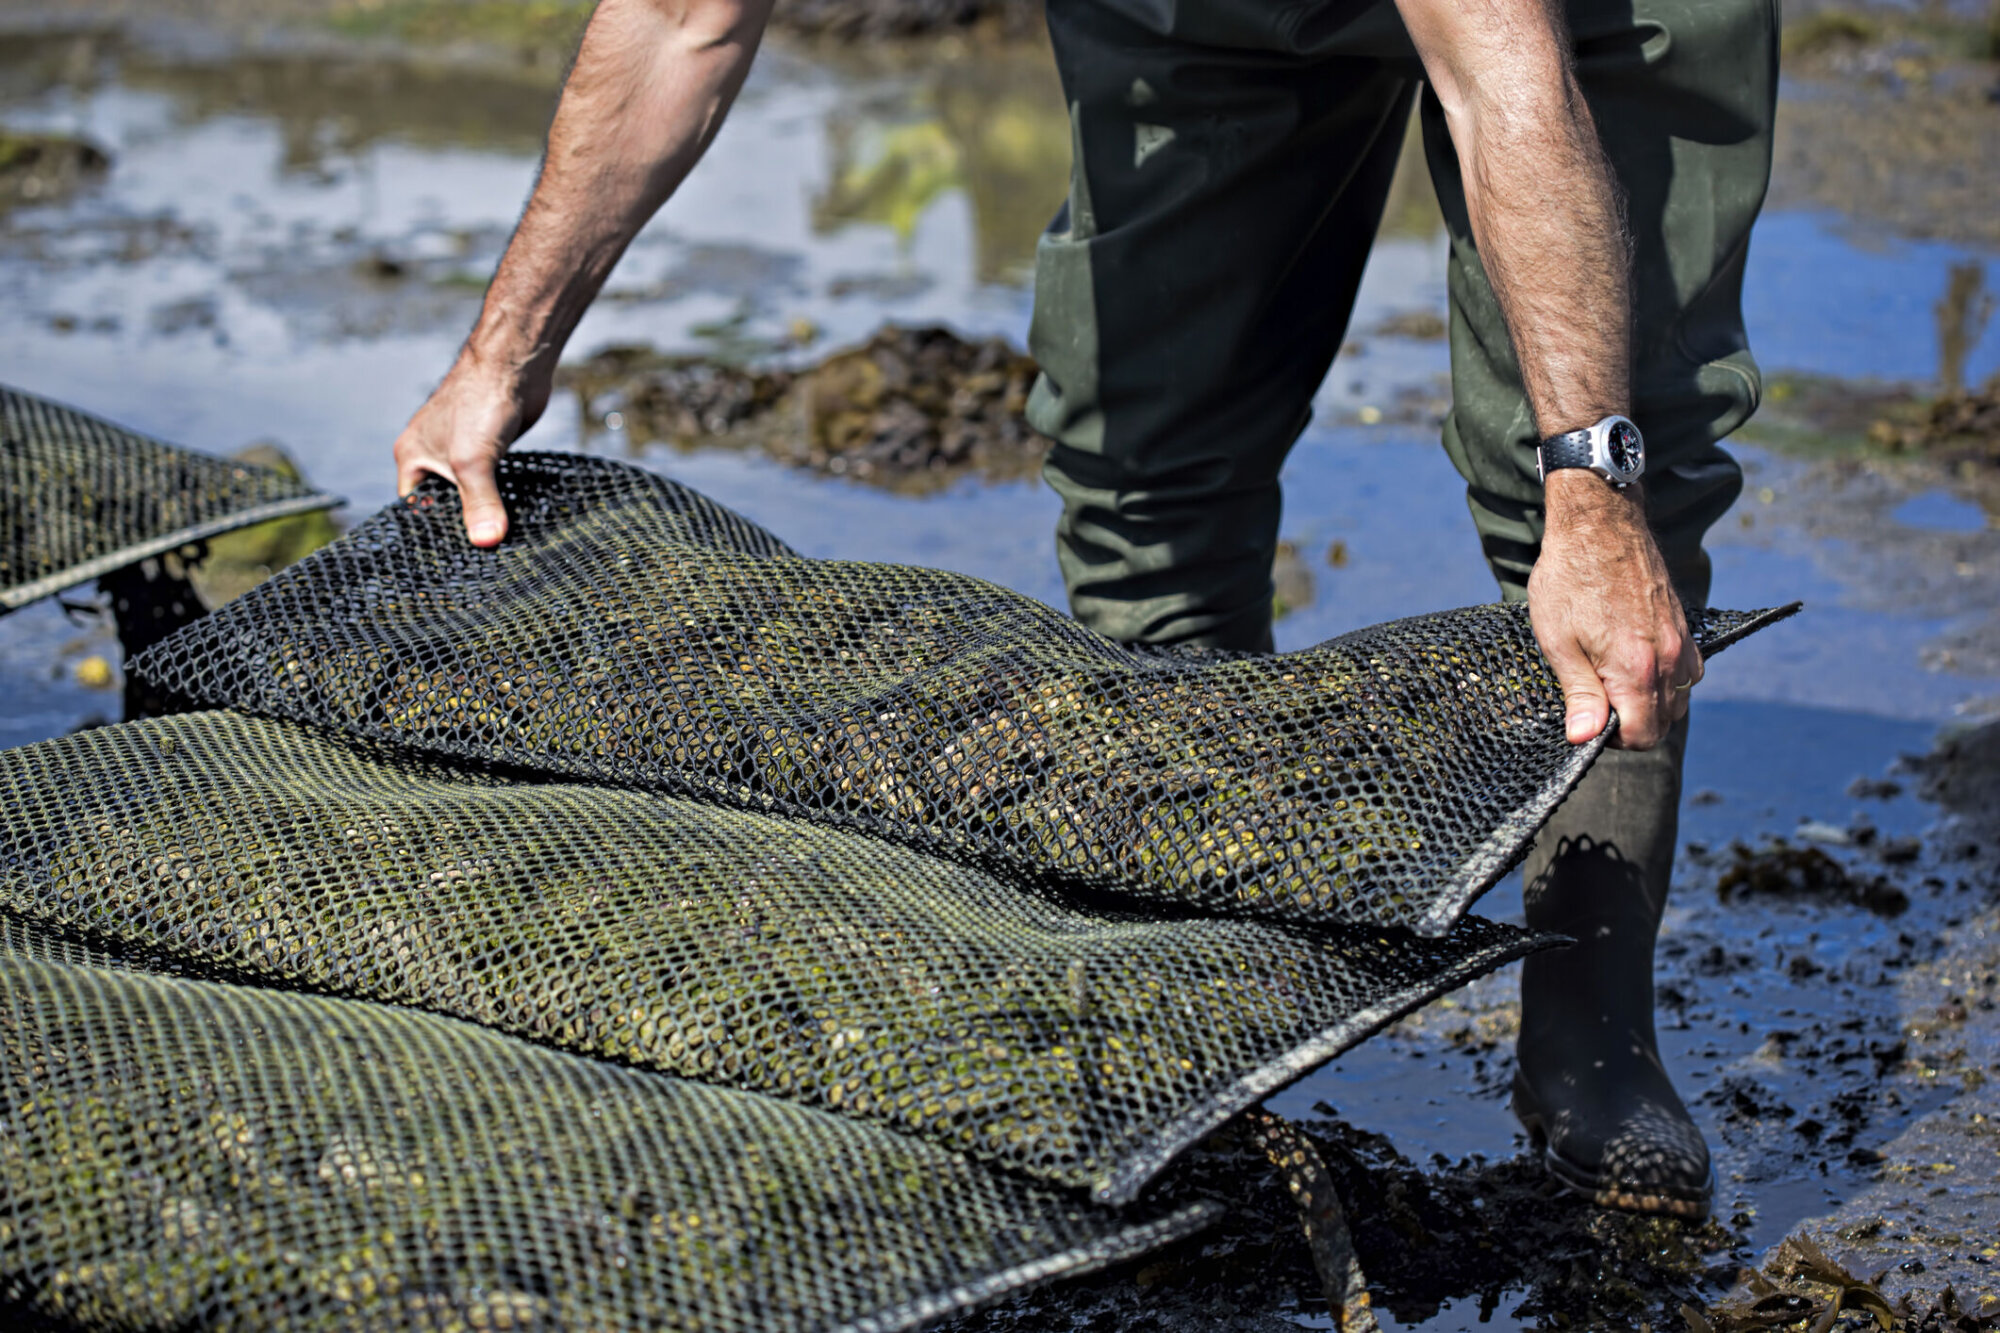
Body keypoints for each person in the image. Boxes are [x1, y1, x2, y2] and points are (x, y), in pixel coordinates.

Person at [393, 0, 1775, 1220]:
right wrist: (499, 355)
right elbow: (679, 19)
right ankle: (1206, 987)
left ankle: (1593, 1032)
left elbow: (1505, 74)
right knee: (1142, 454)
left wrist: (1592, 489)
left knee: (1613, 476)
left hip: (1574, 21)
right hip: (1198, 20)